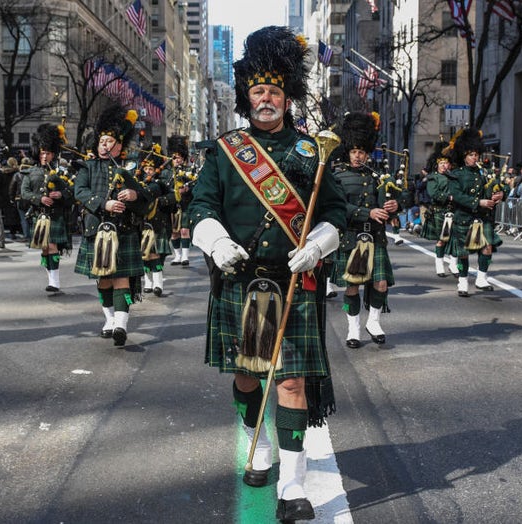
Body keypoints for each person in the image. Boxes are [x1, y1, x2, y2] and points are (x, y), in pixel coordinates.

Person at [189, 26, 345, 522]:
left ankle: (293, 486)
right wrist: (216, 242)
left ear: (286, 96)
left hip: (293, 280)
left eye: (274, 91)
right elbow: (200, 205)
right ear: (246, 98)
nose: (266, 99)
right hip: (241, 279)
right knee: (247, 374)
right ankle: (257, 449)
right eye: (258, 91)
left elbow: (337, 213)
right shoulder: (225, 150)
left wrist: (317, 245)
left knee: (292, 384)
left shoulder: (311, 152)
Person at [73, 103, 151, 346]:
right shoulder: (88, 166)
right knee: (104, 280)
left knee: (122, 279)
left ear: (119, 146)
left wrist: (134, 195)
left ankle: (121, 325)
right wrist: (103, 204)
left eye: (110, 142)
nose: (105, 145)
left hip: (125, 230)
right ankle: (109, 319)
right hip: (97, 229)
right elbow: (80, 191)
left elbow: (145, 202)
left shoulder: (130, 171)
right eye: (102, 141)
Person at [331, 111, 396, 348]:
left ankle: (374, 322)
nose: (358, 156)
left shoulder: (376, 177)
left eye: (362, 152)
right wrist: (366, 213)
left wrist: (394, 205)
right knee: (352, 286)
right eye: (354, 151)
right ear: (348, 152)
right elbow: (338, 206)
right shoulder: (338, 176)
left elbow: (389, 204)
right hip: (351, 238)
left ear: (368, 153)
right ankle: (353, 327)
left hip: (375, 237)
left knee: (381, 283)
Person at [446, 127, 504, 297]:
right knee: (463, 253)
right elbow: (457, 195)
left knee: (487, 247)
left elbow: (496, 186)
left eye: (477, 154)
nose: (475, 158)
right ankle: (462, 280)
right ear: (464, 156)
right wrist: (478, 202)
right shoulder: (456, 174)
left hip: (481, 217)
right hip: (464, 217)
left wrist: (500, 193)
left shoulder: (483, 173)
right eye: (471, 155)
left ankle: (481, 278)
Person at [21, 124, 75, 293]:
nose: (44, 156)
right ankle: (50, 275)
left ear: (54, 154)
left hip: (56, 214)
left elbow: (72, 191)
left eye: (48, 153)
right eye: (42, 152)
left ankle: (54, 281)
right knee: (45, 248)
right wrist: (39, 199)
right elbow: (24, 193)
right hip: (39, 215)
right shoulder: (31, 172)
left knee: (51, 246)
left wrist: (61, 194)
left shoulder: (61, 172)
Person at [139, 143, 174, 296]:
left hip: (160, 224)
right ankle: (148, 282)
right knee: (144, 256)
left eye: (151, 169)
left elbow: (173, 198)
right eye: (146, 169)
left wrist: (160, 201)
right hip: (143, 224)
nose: (148, 171)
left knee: (156, 256)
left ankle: (158, 284)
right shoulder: (138, 185)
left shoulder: (161, 185)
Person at [420, 142, 459, 277]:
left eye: (445, 163)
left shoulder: (454, 177)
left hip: (454, 211)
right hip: (440, 210)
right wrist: (449, 197)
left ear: (449, 164)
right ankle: (439, 265)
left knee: (455, 239)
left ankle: (453, 265)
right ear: (437, 164)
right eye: (441, 163)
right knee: (442, 239)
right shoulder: (433, 178)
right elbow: (433, 193)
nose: (443, 165)